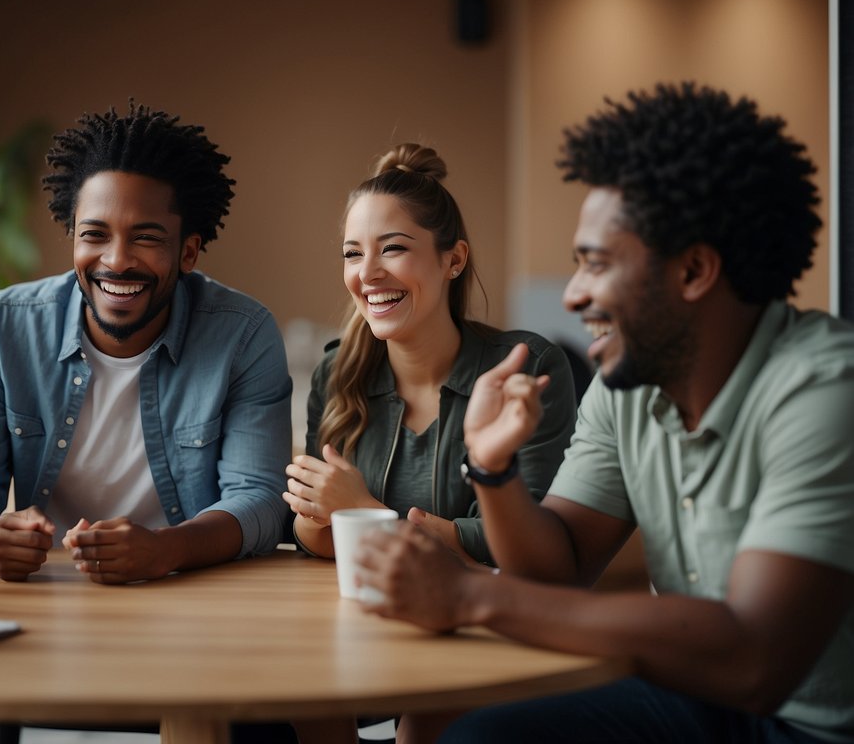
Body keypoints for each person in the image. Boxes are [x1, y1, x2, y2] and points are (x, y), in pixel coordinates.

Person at [356, 82, 854, 743]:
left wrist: (471, 594)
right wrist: (493, 468)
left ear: (694, 271)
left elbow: (754, 658)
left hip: (813, 729)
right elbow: (556, 569)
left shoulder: (825, 391)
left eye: (595, 265)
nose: (572, 295)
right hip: (696, 699)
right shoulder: (631, 388)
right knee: (468, 729)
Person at [0, 103, 292, 585]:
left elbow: (259, 500)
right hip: (46, 591)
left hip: (190, 591)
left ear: (187, 251)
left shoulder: (243, 336)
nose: (116, 261)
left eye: (145, 238)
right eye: (94, 235)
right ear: (72, 239)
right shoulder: (3, 329)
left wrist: (167, 548)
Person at [284, 143, 576, 565]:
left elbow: (522, 545)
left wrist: (363, 513)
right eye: (352, 253)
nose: (367, 273)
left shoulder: (528, 367)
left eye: (393, 248)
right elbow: (310, 531)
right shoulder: (336, 371)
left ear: (453, 259)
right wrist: (317, 514)